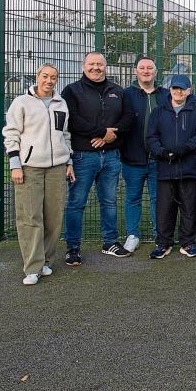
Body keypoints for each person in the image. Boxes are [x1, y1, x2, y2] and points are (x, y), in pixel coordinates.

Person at [3, 64, 75, 285]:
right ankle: (32, 267)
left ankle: (45, 261)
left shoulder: (61, 103)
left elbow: (65, 134)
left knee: (54, 218)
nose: (49, 81)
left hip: (57, 167)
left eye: (53, 77)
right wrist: (15, 164)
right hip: (29, 167)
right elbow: (11, 133)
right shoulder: (21, 102)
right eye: (45, 76)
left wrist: (69, 161)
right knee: (30, 216)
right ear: (37, 77)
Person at [61, 52, 131, 266]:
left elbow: (128, 117)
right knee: (76, 203)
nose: (96, 68)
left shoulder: (117, 91)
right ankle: (73, 248)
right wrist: (102, 132)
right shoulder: (72, 91)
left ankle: (110, 242)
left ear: (105, 67)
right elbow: (73, 120)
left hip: (111, 156)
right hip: (83, 156)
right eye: (91, 64)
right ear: (84, 66)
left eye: (100, 64)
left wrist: (112, 135)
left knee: (109, 201)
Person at [146, 74, 196, 260]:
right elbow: (151, 137)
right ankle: (163, 244)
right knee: (164, 209)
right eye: (175, 88)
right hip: (165, 168)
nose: (178, 92)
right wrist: (162, 152)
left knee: (189, 208)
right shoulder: (158, 111)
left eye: (182, 88)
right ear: (170, 89)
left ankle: (188, 243)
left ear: (189, 91)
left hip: (188, 169)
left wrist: (185, 148)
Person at [120, 56, 169, 253]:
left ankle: (160, 235)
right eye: (142, 68)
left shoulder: (165, 95)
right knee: (133, 198)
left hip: (159, 160)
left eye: (150, 68)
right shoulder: (125, 95)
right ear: (136, 71)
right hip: (133, 158)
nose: (146, 71)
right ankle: (132, 235)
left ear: (156, 72)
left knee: (158, 199)